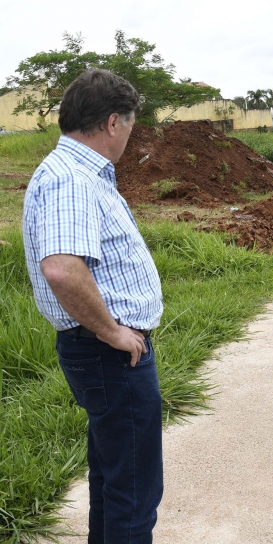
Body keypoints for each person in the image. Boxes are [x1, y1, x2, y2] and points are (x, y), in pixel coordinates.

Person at [22, 69, 163, 544]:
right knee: (135, 489)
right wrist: (112, 331)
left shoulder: (75, 173)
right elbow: (61, 268)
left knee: (113, 478)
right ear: (111, 123)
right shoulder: (72, 180)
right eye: (130, 125)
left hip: (105, 354)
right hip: (111, 354)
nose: (129, 135)